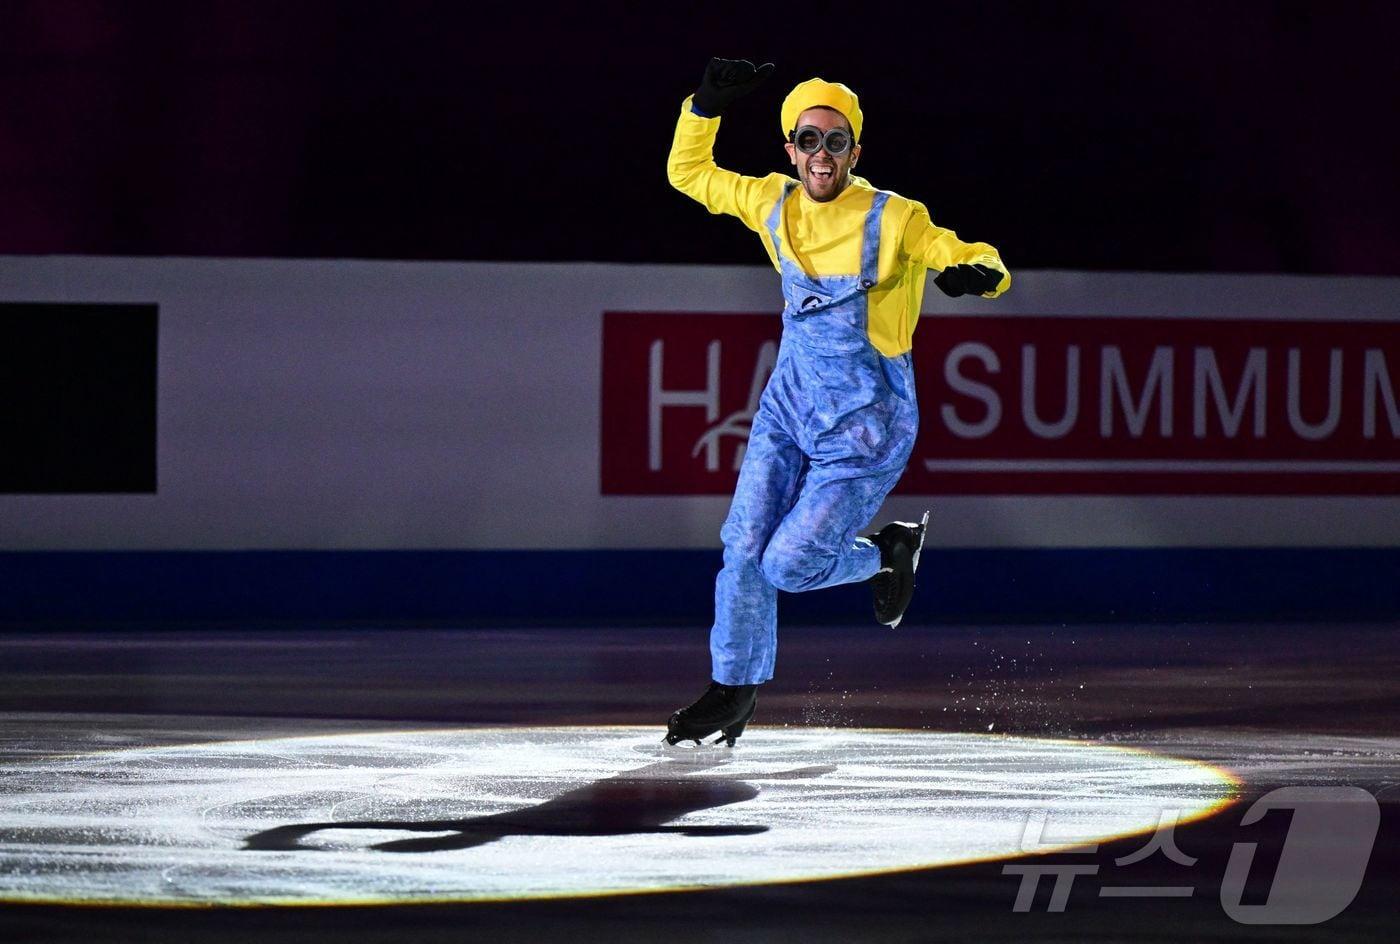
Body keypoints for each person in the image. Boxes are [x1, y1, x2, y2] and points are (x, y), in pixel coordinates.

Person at [663, 59, 1010, 747]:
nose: (822, 155)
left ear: (857, 151)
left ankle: (885, 553)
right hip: (788, 408)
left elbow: (959, 249)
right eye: (809, 140)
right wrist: (703, 107)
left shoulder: (895, 217)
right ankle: (733, 689)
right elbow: (689, 174)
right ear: (789, 148)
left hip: (866, 426)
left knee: (786, 566)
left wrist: (982, 273)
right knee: (742, 547)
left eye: (837, 141)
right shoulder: (771, 203)